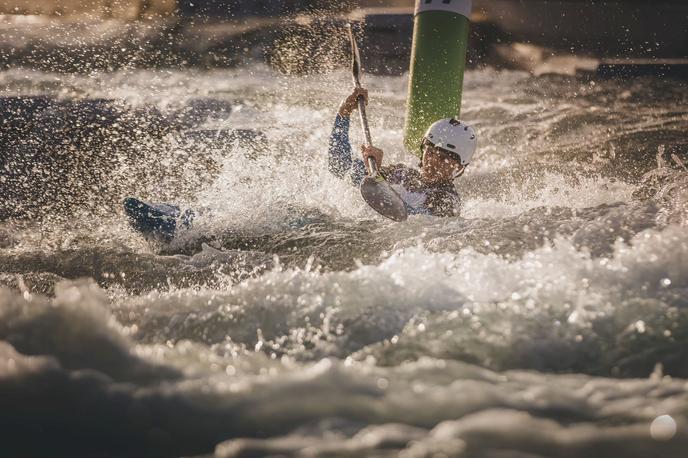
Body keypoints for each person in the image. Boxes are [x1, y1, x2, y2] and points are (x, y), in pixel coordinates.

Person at [329, 87, 477, 217]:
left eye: (443, 158)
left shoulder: (447, 201)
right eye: (430, 152)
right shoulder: (400, 174)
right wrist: (344, 113)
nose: (433, 162)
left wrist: (378, 181)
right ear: (422, 150)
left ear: (459, 168)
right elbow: (340, 166)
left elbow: (408, 219)